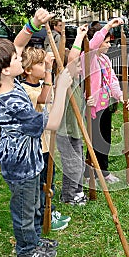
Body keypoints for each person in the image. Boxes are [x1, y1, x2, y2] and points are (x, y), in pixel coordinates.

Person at [0, 8, 72, 257]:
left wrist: (33, 24)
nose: (21, 58)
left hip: (30, 159)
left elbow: (17, 44)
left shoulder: (8, 81)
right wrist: (61, 88)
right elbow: (53, 122)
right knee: (24, 210)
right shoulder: (12, 103)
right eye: (16, 60)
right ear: (6, 69)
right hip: (19, 165)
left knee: (36, 204)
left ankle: (36, 241)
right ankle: (27, 250)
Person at [20, 47, 71, 230]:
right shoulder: (27, 90)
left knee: (49, 180)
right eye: (39, 64)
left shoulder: (39, 85)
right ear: (28, 70)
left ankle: (50, 210)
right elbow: (45, 97)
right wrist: (49, 70)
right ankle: (42, 216)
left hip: (46, 144)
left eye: (43, 63)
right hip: (37, 148)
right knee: (42, 183)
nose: (44, 66)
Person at [82, 18, 129, 184]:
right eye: (107, 42)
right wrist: (108, 26)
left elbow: (113, 80)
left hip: (106, 106)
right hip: (93, 108)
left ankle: (103, 171)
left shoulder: (105, 60)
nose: (109, 45)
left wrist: (120, 96)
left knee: (106, 140)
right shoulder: (88, 57)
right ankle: (90, 174)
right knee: (94, 142)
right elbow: (93, 44)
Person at [55, 24, 90, 205]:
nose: (80, 67)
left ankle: (77, 191)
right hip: (66, 133)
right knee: (72, 166)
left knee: (79, 164)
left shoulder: (76, 81)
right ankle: (68, 197)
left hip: (75, 131)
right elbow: (72, 58)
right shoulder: (65, 79)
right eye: (78, 64)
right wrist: (79, 37)